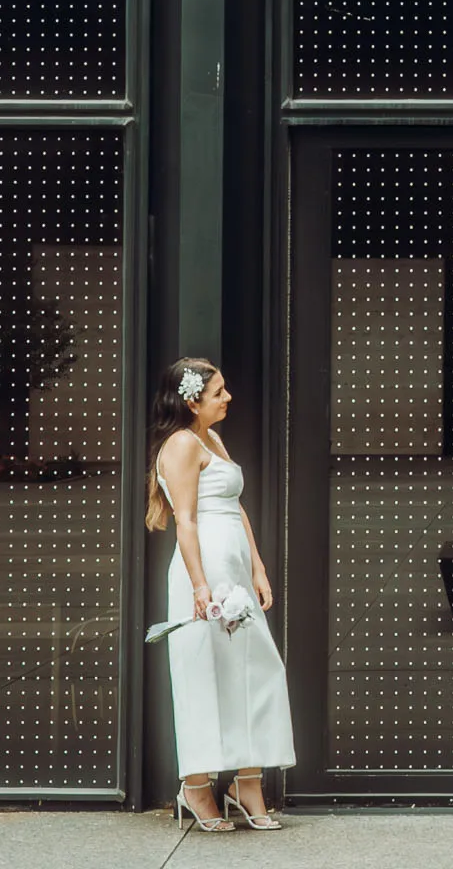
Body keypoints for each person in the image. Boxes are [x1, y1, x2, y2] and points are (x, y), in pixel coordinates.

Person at [147, 356, 296, 832]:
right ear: (191, 400)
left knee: (254, 670)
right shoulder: (181, 444)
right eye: (218, 392)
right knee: (202, 674)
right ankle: (196, 786)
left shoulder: (212, 438)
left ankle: (247, 781)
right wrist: (199, 585)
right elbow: (186, 520)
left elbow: (235, 506)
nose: (228, 398)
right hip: (204, 568)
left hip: (233, 567)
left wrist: (258, 567)